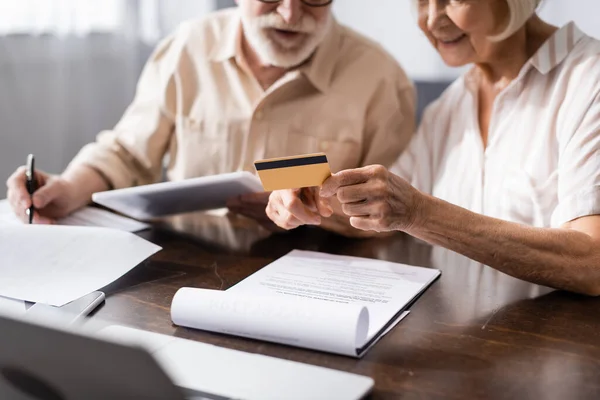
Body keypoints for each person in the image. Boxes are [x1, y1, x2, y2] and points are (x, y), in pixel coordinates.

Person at [266, 0, 600, 295]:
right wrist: (311, 196)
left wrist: (419, 213)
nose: (432, 19)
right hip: (468, 345)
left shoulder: (589, 79)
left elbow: (592, 262)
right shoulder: (449, 107)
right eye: (422, 1)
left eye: (453, 0)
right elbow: (384, 211)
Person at [5, 0, 415, 234]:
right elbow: (128, 151)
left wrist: (314, 207)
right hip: (183, 262)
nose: (290, 14)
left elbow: (396, 208)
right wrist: (69, 187)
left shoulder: (383, 80)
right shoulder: (187, 46)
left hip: (323, 275)